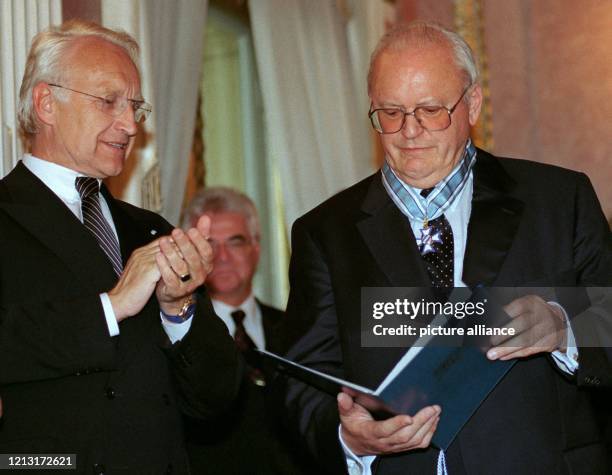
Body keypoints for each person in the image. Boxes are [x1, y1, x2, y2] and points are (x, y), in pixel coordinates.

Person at [279, 21, 612, 475]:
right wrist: (349, 437)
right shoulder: (325, 232)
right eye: (390, 112)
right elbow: (300, 381)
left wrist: (561, 326)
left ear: (472, 103)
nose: (409, 131)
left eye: (431, 109)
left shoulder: (557, 199)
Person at [0, 20, 241, 474]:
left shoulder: (152, 231)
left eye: (135, 107)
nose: (129, 125)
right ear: (47, 102)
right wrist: (110, 307)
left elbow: (217, 397)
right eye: (109, 101)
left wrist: (179, 309)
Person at [181, 187, 312, 474]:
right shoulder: (176, 336)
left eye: (235, 241)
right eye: (208, 243)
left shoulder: (298, 327)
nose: (221, 256)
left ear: (256, 248)